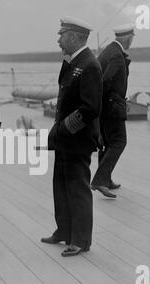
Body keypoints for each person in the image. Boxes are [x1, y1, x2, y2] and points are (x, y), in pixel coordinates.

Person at [41, 17, 103, 257]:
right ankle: (64, 231)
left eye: (62, 35)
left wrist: (61, 130)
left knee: (77, 189)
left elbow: (90, 108)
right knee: (61, 187)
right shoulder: (72, 62)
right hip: (65, 140)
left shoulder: (89, 65)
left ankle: (81, 240)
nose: (58, 40)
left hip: (77, 140)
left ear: (75, 37)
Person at [91, 24, 134, 198]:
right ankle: (100, 180)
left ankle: (105, 179)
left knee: (108, 142)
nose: (132, 41)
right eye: (132, 38)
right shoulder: (117, 56)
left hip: (105, 107)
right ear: (127, 38)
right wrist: (117, 101)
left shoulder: (109, 50)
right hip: (112, 109)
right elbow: (106, 81)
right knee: (119, 142)